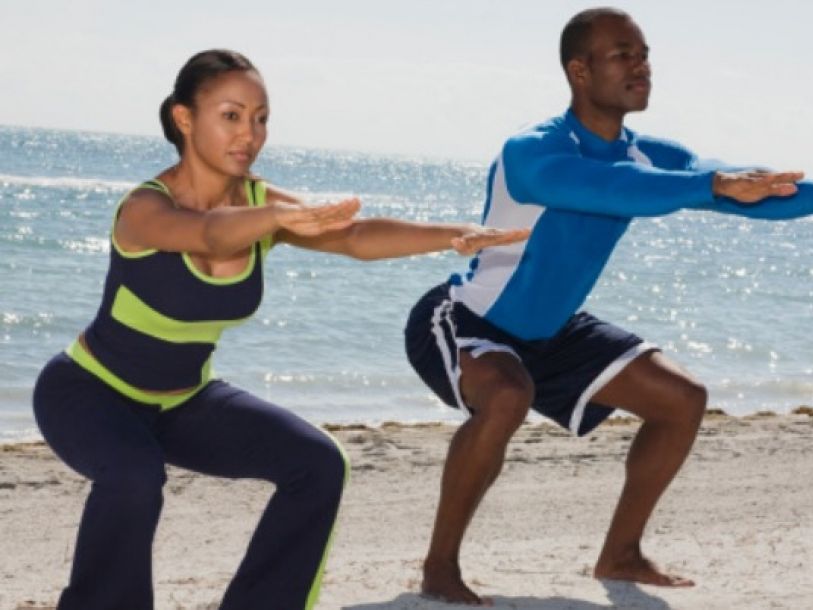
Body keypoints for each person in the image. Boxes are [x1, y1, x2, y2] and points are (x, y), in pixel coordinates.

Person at [403, 7, 813, 605]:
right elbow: (612, 188)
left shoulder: (653, 155)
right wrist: (713, 185)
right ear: (580, 71)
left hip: (554, 331)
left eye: (644, 54)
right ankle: (440, 568)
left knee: (680, 400)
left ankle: (621, 553)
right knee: (508, 395)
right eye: (623, 54)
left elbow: (733, 186)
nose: (641, 65)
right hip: (467, 318)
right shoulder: (533, 151)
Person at [31, 49, 527, 610]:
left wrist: (452, 234)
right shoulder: (145, 208)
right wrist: (276, 218)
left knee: (317, 464)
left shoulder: (263, 204)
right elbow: (209, 235)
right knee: (133, 477)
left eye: (261, 117)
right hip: (89, 395)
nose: (251, 133)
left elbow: (355, 236)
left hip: (184, 403)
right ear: (184, 119)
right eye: (232, 115)